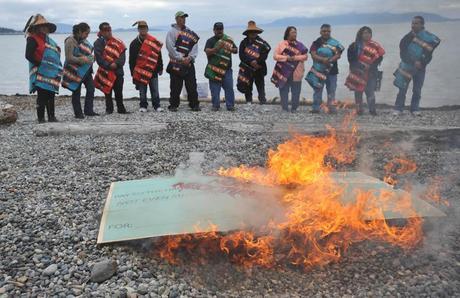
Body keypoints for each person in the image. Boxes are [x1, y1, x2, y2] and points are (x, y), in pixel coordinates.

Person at [393, 16, 440, 116]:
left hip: (420, 68)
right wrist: (413, 61)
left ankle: (414, 109)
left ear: (422, 24)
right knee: (402, 89)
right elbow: (403, 54)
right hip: (406, 67)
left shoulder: (428, 38)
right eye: (412, 23)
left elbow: (428, 55)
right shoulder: (406, 38)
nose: (413, 25)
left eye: (416, 23)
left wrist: (422, 62)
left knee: (417, 90)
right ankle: (398, 108)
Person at [24, 14, 62, 123]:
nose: (45, 28)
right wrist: (41, 64)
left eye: (46, 27)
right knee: (42, 96)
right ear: (37, 27)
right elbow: (28, 55)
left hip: (51, 72)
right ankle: (41, 118)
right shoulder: (32, 39)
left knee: (51, 94)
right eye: (43, 26)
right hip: (39, 71)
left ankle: (52, 117)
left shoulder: (49, 41)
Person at [345, 26, 385, 116]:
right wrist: (362, 66)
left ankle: (372, 110)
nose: (367, 35)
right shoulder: (354, 46)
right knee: (358, 92)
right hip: (357, 72)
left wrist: (370, 66)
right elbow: (351, 59)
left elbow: (379, 58)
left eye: (369, 33)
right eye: (365, 33)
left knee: (370, 92)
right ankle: (359, 110)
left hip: (371, 72)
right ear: (360, 34)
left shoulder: (375, 46)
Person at [165, 11, 200, 112]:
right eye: (181, 17)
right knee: (175, 86)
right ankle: (173, 105)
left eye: (184, 17)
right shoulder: (171, 32)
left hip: (189, 63)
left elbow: (194, 47)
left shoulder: (190, 32)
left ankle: (194, 105)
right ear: (176, 19)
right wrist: (181, 58)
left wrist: (190, 58)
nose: (183, 19)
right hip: (176, 62)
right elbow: (170, 47)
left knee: (192, 85)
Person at [62, 22, 98, 119]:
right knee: (76, 91)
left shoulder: (83, 41)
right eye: (86, 33)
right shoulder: (70, 41)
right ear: (79, 32)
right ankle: (78, 113)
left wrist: (90, 58)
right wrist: (82, 59)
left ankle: (89, 110)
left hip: (86, 71)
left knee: (91, 89)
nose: (87, 36)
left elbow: (87, 54)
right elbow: (69, 58)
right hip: (74, 70)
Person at [306, 24, 344, 114]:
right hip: (318, 71)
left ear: (330, 32)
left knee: (331, 90)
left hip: (332, 71)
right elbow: (313, 55)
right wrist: (323, 60)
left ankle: (331, 108)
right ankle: (316, 108)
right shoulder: (316, 43)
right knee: (317, 89)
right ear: (320, 32)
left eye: (328, 31)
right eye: (324, 31)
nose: (326, 33)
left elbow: (338, 55)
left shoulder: (335, 43)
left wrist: (330, 60)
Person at [94, 22, 129, 114]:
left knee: (118, 91)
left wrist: (116, 64)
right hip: (105, 71)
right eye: (105, 31)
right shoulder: (98, 43)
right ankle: (109, 109)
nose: (108, 32)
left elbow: (122, 58)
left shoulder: (119, 42)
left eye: (109, 30)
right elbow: (99, 58)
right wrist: (109, 65)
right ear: (101, 32)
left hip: (118, 71)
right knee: (107, 92)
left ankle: (121, 109)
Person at [129, 20, 164, 113]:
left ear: (147, 29)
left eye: (144, 28)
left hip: (153, 70)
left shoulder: (153, 41)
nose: (143, 30)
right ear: (138, 30)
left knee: (155, 90)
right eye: (141, 28)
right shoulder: (133, 43)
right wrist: (132, 73)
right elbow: (131, 60)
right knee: (142, 91)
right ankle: (143, 105)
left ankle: (157, 105)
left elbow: (158, 55)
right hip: (140, 71)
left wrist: (160, 67)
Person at [272, 26, 308, 113]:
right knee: (283, 90)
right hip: (283, 72)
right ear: (287, 33)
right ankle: (285, 108)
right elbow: (275, 56)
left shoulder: (300, 45)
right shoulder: (281, 44)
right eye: (293, 32)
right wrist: (286, 58)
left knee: (296, 92)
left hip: (296, 72)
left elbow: (305, 56)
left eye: (295, 32)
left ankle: (294, 108)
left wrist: (294, 58)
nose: (295, 34)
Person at [204, 22, 238, 111]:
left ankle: (230, 105)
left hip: (227, 69)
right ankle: (215, 105)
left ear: (223, 29)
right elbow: (207, 51)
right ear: (214, 30)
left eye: (221, 29)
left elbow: (236, 50)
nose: (219, 31)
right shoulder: (210, 41)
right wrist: (216, 49)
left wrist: (231, 49)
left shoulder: (228, 39)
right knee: (215, 89)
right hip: (214, 69)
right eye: (217, 29)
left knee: (229, 87)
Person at [237, 21, 271, 105]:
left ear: (257, 32)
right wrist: (251, 62)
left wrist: (257, 61)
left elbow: (265, 54)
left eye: (254, 31)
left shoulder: (262, 43)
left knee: (260, 85)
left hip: (259, 67)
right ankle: (249, 101)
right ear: (248, 33)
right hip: (247, 68)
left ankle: (262, 101)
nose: (253, 33)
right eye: (251, 32)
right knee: (248, 85)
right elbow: (241, 56)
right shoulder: (243, 43)